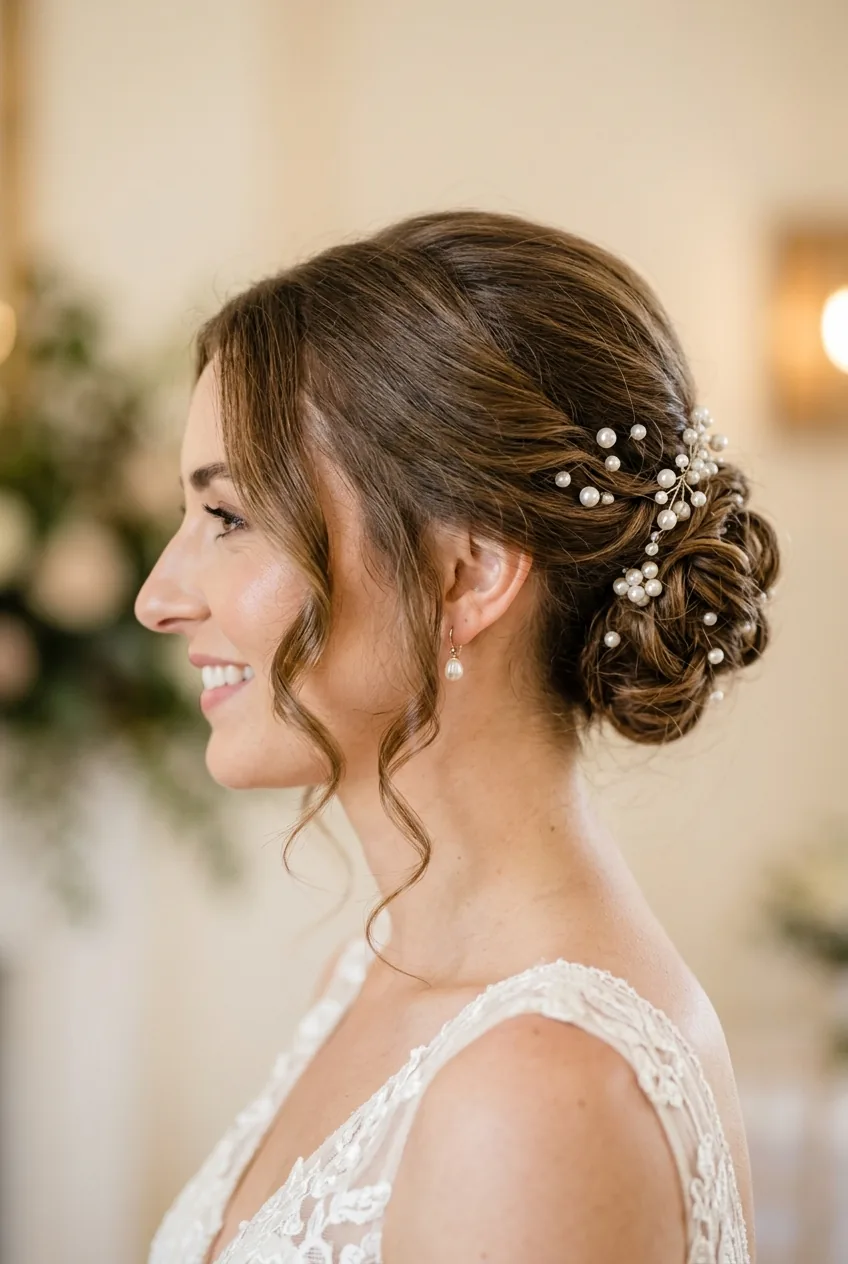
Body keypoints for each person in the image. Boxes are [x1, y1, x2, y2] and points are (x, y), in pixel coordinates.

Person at [134, 208, 779, 1264]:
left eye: (229, 517)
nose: (159, 597)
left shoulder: (534, 1090)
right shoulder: (376, 970)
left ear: (466, 575)